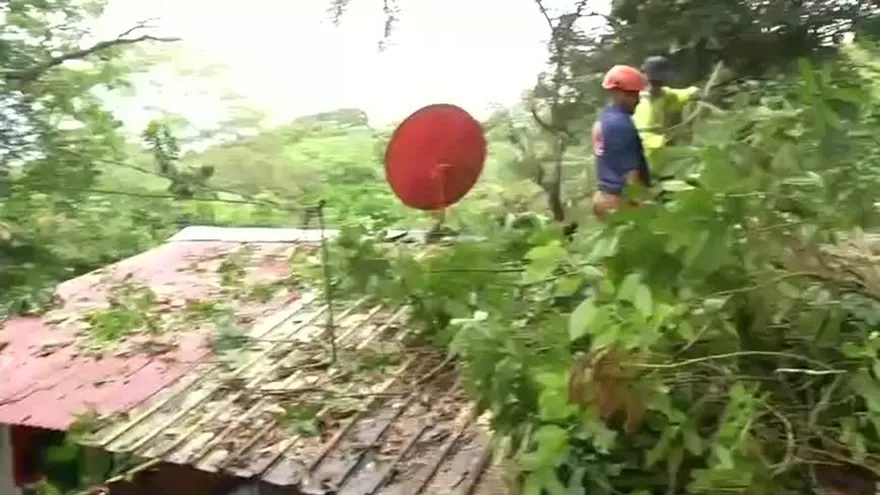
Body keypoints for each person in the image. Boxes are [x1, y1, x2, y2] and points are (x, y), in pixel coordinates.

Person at [591, 65, 652, 219]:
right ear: (616, 92)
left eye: (637, 94)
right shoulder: (621, 125)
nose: (637, 100)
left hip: (604, 196)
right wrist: (646, 207)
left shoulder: (605, 117)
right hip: (621, 203)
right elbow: (631, 176)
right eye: (631, 95)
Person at [633, 56, 700, 174]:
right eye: (652, 82)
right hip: (644, 157)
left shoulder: (664, 95)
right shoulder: (636, 101)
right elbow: (643, 136)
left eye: (659, 82)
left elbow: (686, 93)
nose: (655, 86)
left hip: (660, 152)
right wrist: (663, 139)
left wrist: (695, 92)